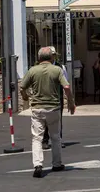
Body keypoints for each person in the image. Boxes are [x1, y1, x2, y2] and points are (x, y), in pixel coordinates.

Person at [21, 46, 75, 178]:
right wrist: (71, 102)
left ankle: (38, 165)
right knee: (55, 137)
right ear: (51, 57)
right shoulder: (57, 70)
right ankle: (57, 164)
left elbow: (22, 86)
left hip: (37, 108)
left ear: (39, 58)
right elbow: (66, 87)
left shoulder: (32, 70)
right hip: (53, 108)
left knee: (37, 138)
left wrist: (25, 97)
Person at [42, 56, 67, 150]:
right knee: (45, 120)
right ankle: (45, 140)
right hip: (45, 97)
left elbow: (66, 83)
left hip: (57, 97)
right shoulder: (40, 67)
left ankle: (58, 140)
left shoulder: (60, 67)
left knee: (58, 119)